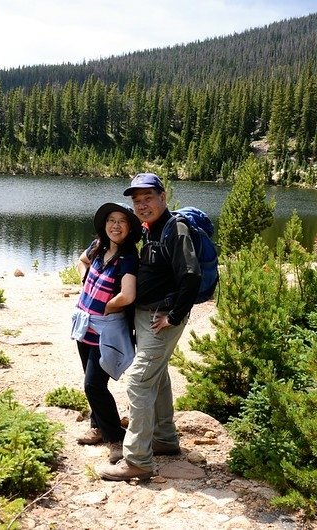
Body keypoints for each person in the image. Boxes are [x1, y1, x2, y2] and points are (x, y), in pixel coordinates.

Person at [97, 173, 201, 481]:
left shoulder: (176, 228)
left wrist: (174, 316)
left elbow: (191, 276)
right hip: (146, 317)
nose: (142, 206)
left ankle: (138, 460)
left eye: (148, 199)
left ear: (163, 197)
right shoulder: (150, 229)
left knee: (140, 381)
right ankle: (164, 439)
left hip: (161, 319)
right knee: (158, 376)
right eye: (137, 201)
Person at [70, 202, 141, 464]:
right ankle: (97, 425)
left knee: (94, 384)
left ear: (130, 228)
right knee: (91, 382)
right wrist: (83, 275)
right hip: (84, 325)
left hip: (106, 330)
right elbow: (81, 260)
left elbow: (128, 295)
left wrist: (107, 306)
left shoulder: (128, 258)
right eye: (112, 220)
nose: (116, 225)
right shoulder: (99, 246)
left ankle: (115, 438)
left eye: (122, 221)